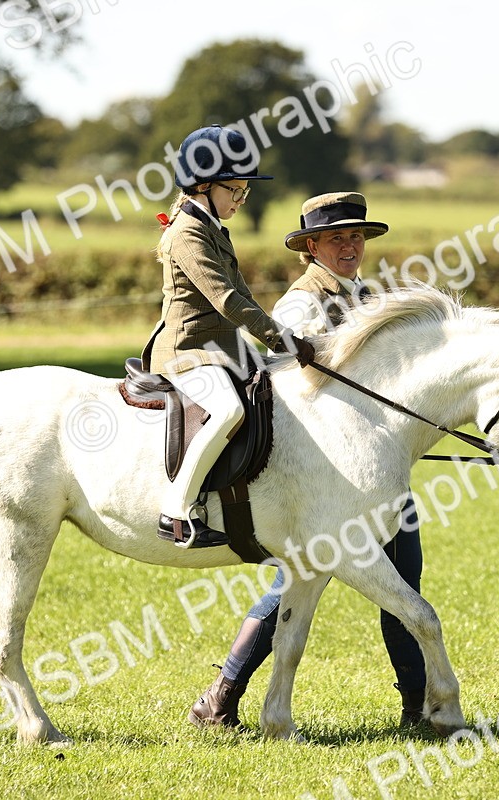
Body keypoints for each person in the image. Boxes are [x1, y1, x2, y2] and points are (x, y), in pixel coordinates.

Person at [186, 192, 429, 728]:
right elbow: (288, 384)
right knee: (302, 582)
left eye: (356, 236)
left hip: (376, 468)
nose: (350, 246)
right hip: (324, 474)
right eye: (337, 238)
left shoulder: (367, 296)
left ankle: (417, 704)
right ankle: (222, 694)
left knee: (402, 580)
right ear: (312, 247)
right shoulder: (302, 304)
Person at [149, 124, 315, 548]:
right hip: (187, 349)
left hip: (222, 349)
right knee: (228, 411)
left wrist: (280, 341)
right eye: (235, 190)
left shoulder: (213, 228)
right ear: (202, 185)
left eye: (245, 191)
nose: (241, 200)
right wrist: (281, 340)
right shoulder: (186, 233)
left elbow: (244, 296)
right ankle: (176, 512)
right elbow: (226, 300)